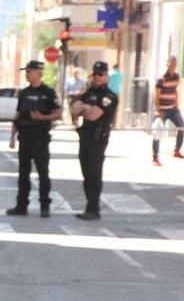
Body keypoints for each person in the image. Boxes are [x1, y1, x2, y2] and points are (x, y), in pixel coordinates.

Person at [6, 60, 62, 217]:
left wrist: (42, 117)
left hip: (40, 138)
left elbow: (58, 114)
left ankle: (45, 205)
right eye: (26, 71)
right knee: (23, 174)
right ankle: (21, 205)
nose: (27, 74)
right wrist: (12, 136)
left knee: (43, 173)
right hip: (25, 138)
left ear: (39, 72)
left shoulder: (48, 92)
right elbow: (17, 115)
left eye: (30, 71)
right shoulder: (23, 93)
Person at [70, 61, 117, 221]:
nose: (97, 77)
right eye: (95, 74)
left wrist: (83, 108)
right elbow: (73, 108)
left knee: (94, 174)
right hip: (85, 136)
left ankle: (93, 208)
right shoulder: (89, 92)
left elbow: (94, 115)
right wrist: (85, 108)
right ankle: (89, 206)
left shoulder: (109, 96)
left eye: (100, 74)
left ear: (106, 76)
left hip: (98, 138)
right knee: (86, 173)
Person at [151, 56, 182, 166]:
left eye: (175, 64)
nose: (173, 65)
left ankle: (177, 150)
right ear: (167, 64)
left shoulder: (177, 77)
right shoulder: (161, 78)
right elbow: (156, 94)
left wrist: (177, 106)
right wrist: (158, 110)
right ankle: (155, 157)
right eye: (171, 63)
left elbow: (176, 91)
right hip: (162, 110)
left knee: (181, 127)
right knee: (157, 133)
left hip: (173, 109)